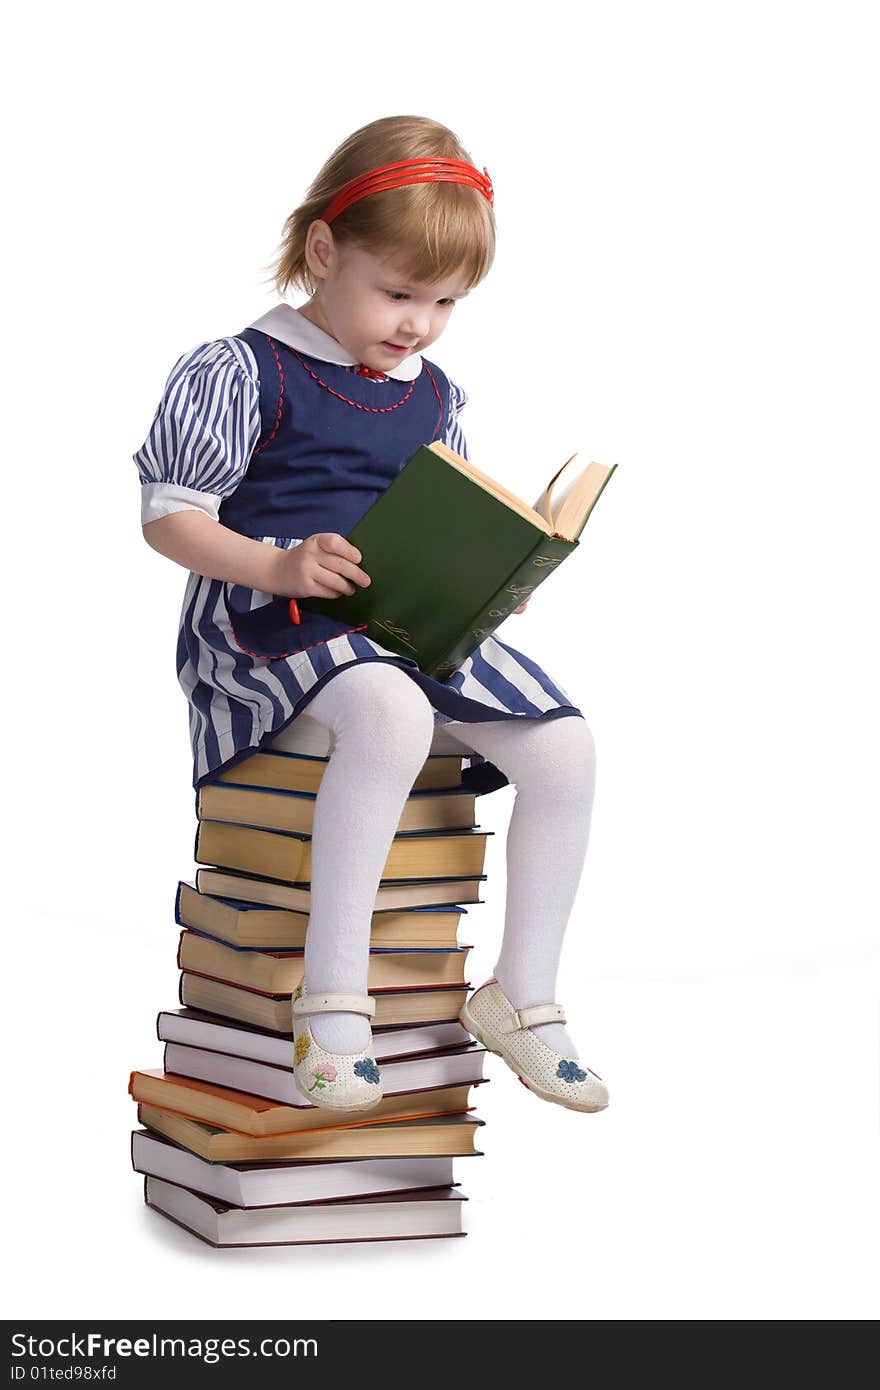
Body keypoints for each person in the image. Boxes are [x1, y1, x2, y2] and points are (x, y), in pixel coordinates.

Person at [133, 114, 609, 1117]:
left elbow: (448, 505)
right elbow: (170, 518)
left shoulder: (432, 394)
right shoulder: (241, 368)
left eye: (443, 303)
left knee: (566, 746)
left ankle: (521, 992)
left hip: (395, 626)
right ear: (322, 250)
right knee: (388, 711)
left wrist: (495, 569)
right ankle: (333, 996)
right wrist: (279, 561)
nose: (418, 324)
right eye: (397, 292)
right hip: (266, 626)